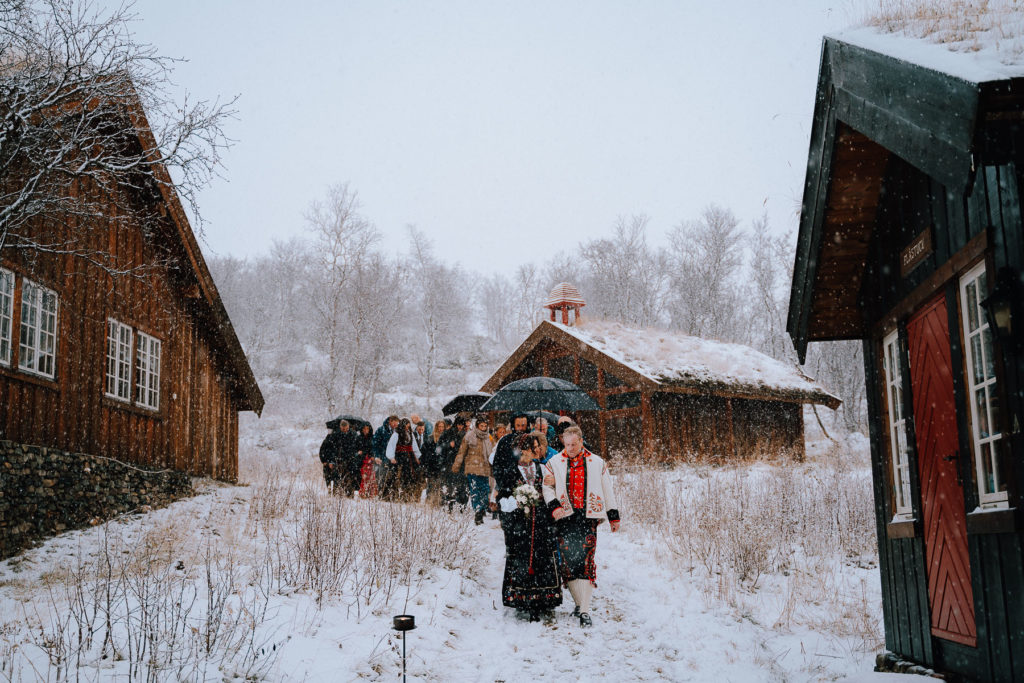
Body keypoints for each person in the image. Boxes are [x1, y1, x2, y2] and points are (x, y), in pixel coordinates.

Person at [543, 425, 620, 628]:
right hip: (565, 517)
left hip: (588, 517)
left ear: (581, 441)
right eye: (567, 445)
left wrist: (613, 516)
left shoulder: (596, 462)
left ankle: (585, 610)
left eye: (574, 444)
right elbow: (547, 487)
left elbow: (607, 488)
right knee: (569, 562)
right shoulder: (554, 462)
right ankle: (579, 603)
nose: (570, 448)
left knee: (585, 561)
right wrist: (554, 506)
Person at [495, 431, 562, 621]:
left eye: (536, 448)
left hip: (541, 522)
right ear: (521, 450)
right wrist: (520, 501)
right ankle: (526, 600)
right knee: (524, 559)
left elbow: (551, 490)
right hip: (520, 523)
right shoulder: (511, 471)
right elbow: (503, 500)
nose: (535, 451)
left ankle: (544, 598)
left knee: (542, 558)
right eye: (531, 448)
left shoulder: (542, 468)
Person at [451, 414, 493, 524]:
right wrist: (457, 465)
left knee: (485, 490)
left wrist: (493, 468)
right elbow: (462, 452)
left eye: (485, 426)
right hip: (472, 467)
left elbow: (491, 454)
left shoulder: (488, 437)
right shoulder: (469, 436)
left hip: (484, 468)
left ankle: (482, 508)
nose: (483, 428)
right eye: (481, 426)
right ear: (477, 425)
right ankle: (478, 511)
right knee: (475, 490)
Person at [386, 418, 422, 501]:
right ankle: (394, 495)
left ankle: (407, 495)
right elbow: (391, 446)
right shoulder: (396, 434)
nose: (407, 427)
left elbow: (414, 446)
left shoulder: (410, 433)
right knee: (398, 476)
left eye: (408, 426)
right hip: (400, 457)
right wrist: (391, 457)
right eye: (406, 425)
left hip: (409, 457)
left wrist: (417, 457)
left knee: (409, 476)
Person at [373, 415, 399, 496]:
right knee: (382, 478)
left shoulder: (398, 431)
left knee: (393, 479)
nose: (395, 425)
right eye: (393, 423)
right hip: (382, 458)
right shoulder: (381, 430)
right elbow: (375, 444)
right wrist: (376, 456)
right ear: (390, 421)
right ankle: (382, 496)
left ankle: (391, 496)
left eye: (396, 423)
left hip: (394, 459)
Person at [336, 420, 361, 496]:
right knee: (342, 476)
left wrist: (356, 454)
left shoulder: (354, 434)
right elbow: (335, 447)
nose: (345, 430)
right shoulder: (337, 435)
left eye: (346, 428)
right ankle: (341, 492)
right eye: (343, 429)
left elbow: (358, 445)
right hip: (341, 459)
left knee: (352, 476)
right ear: (340, 427)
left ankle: (351, 493)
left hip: (352, 458)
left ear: (348, 427)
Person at [318, 421, 344, 492]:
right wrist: (324, 461)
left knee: (335, 478)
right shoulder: (327, 438)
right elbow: (322, 450)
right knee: (328, 478)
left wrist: (331, 461)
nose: (329, 431)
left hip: (335, 462)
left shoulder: (336, 438)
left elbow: (335, 451)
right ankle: (330, 489)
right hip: (328, 461)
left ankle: (334, 491)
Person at [357, 423, 378, 498]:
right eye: (364, 429)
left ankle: (371, 494)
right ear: (362, 430)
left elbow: (374, 448)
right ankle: (363, 493)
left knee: (372, 477)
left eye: (367, 429)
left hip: (371, 460)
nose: (365, 430)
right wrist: (359, 452)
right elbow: (357, 449)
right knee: (364, 477)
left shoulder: (373, 437)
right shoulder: (359, 438)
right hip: (362, 461)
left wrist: (372, 455)